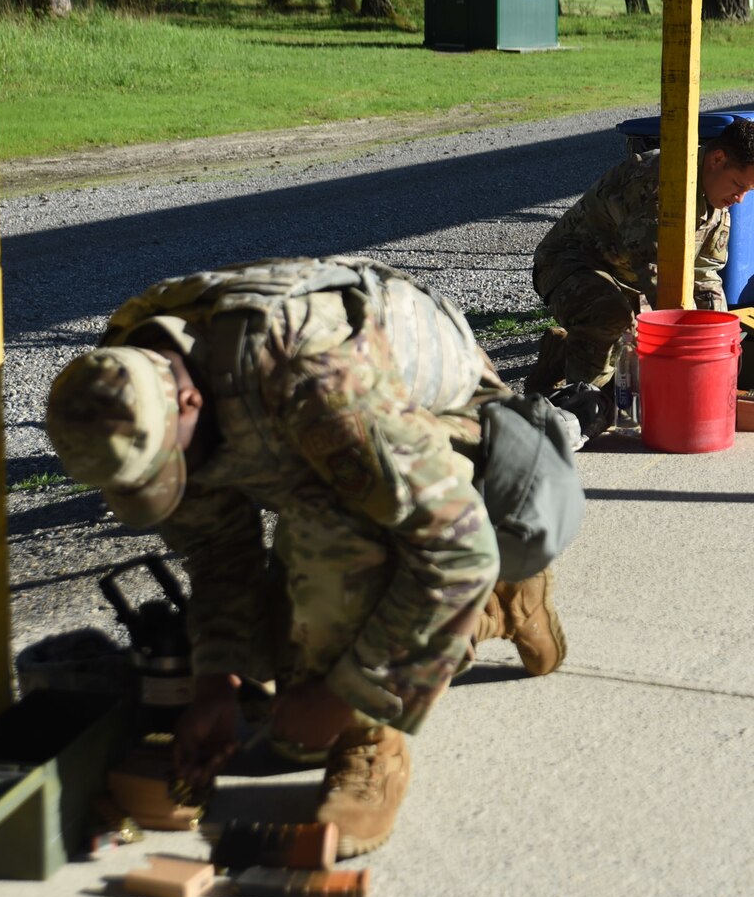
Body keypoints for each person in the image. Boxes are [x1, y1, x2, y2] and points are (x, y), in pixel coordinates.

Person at [44, 255, 585, 858]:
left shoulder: (314, 378)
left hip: (443, 428)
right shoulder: (125, 374)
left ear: (190, 401)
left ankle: (371, 745)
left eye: (167, 468)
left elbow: (456, 545)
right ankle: (495, 610)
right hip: (315, 439)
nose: (172, 484)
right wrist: (217, 682)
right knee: (283, 664)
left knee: (333, 546)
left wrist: (343, 700)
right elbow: (218, 549)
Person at [531, 116, 754, 401]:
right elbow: (658, 275)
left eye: (749, 190)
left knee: (636, 351)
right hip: (571, 263)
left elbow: (705, 273)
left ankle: (561, 353)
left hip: (625, 276)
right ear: (717, 159)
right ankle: (581, 409)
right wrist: (691, 346)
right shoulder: (663, 183)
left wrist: (718, 335)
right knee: (613, 321)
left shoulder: (716, 203)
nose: (741, 199)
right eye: (738, 185)